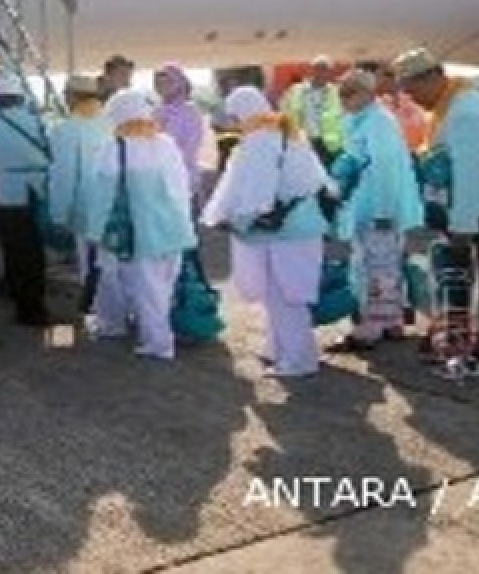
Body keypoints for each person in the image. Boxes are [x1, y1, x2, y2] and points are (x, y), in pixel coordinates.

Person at [395, 48, 479, 371]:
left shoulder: (466, 111)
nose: (412, 99)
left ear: (432, 78)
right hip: (463, 206)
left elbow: (470, 173)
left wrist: (464, 224)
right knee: (458, 281)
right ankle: (459, 344)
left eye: (413, 90)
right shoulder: (448, 105)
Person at [202, 86, 331, 378]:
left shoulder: (260, 140)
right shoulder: (287, 133)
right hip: (300, 227)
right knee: (282, 292)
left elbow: (255, 192)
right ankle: (280, 349)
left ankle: (299, 359)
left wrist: (231, 219)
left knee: (285, 294)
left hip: (283, 231)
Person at [85, 90, 195, 360]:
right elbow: (181, 189)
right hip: (170, 228)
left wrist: (94, 230)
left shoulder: (112, 149)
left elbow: (101, 196)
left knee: (138, 287)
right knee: (161, 286)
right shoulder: (165, 144)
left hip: (134, 231)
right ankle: (154, 335)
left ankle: (156, 343)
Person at [327, 70, 425, 352]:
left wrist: (382, 210)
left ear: (367, 94)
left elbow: (385, 169)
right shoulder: (362, 121)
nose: (344, 99)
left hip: (378, 206)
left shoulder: (377, 122)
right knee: (383, 262)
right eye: (342, 93)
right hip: (367, 204)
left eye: (350, 93)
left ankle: (372, 327)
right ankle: (390, 319)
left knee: (377, 265)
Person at [0, 74, 52, 326]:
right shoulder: (39, 123)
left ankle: (22, 305)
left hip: (5, 193)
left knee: (13, 251)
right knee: (35, 251)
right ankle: (38, 304)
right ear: (21, 99)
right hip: (38, 191)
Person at [50, 75, 112, 313]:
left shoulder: (66, 129)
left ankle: (100, 310)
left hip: (85, 206)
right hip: (115, 203)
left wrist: (58, 213)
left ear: (71, 97)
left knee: (90, 262)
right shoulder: (112, 123)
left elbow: (64, 175)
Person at [153, 62, 205, 204]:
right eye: (158, 84)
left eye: (168, 83)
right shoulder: (156, 111)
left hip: (183, 177)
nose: (162, 87)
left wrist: (169, 164)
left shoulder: (190, 112)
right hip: (157, 179)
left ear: (179, 83)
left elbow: (191, 147)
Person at [280, 55, 344, 165]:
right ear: (311, 70)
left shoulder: (337, 92)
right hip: (303, 141)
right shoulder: (295, 90)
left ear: (330, 72)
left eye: (325, 69)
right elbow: (284, 112)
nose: (321, 73)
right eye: (318, 69)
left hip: (329, 145)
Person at [376, 65, 427, 151]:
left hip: (420, 149)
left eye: (381, 80)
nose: (378, 84)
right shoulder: (379, 105)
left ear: (391, 79)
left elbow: (423, 122)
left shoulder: (413, 98)